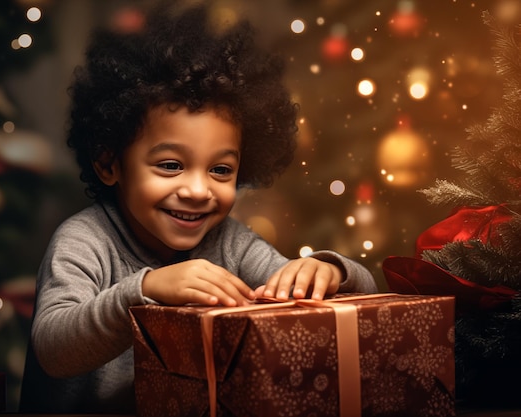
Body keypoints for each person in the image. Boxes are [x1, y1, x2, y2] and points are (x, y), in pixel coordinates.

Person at [19, 2, 378, 414]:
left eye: (220, 170)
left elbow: (361, 292)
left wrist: (330, 272)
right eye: (171, 165)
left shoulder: (231, 244)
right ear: (109, 163)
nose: (197, 190)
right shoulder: (84, 241)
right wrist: (147, 290)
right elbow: (53, 348)